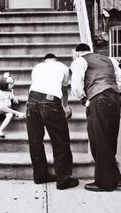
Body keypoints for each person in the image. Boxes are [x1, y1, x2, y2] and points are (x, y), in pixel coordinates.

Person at [70, 43, 121, 192]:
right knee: (109, 140)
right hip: (115, 99)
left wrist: (83, 99)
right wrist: (109, 88)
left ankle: (104, 183)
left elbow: (75, 85)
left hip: (98, 99)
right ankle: (116, 178)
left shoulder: (80, 61)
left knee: (98, 141)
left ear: (77, 53)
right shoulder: (109, 60)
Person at [26, 53, 79, 190]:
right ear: (56, 60)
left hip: (31, 101)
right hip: (51, 102)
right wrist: (65, 106)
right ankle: (63, 180)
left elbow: (37, 85)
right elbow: (64, 89)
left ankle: (40, 176)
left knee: (35, 141)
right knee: (60, 142)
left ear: (44, 61)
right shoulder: (62, 67)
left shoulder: (37, 67)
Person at [0, 72, 26, 138]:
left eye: (13, 84)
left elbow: (13, 99)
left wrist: (15, 99)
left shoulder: (10, 92)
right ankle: (18, 113)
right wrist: (3, 104)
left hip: (8, 111)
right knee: (2, 106)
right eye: (11, 84)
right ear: (5, 84)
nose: (12, 85)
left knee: (10, 115)